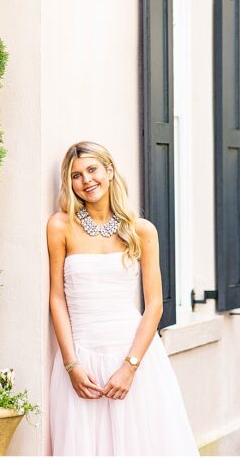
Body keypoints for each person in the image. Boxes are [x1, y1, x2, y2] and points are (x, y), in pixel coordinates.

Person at [46, 141, 197, 456]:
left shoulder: (141, 230)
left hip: (134, 357)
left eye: (92, 170)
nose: (86, 180)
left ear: (109, 171)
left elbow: (154, 304)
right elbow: (57, 299)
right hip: (80, 360)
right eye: (76, 175)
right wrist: (72, 365)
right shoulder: (60, 225)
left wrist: (130, 367)